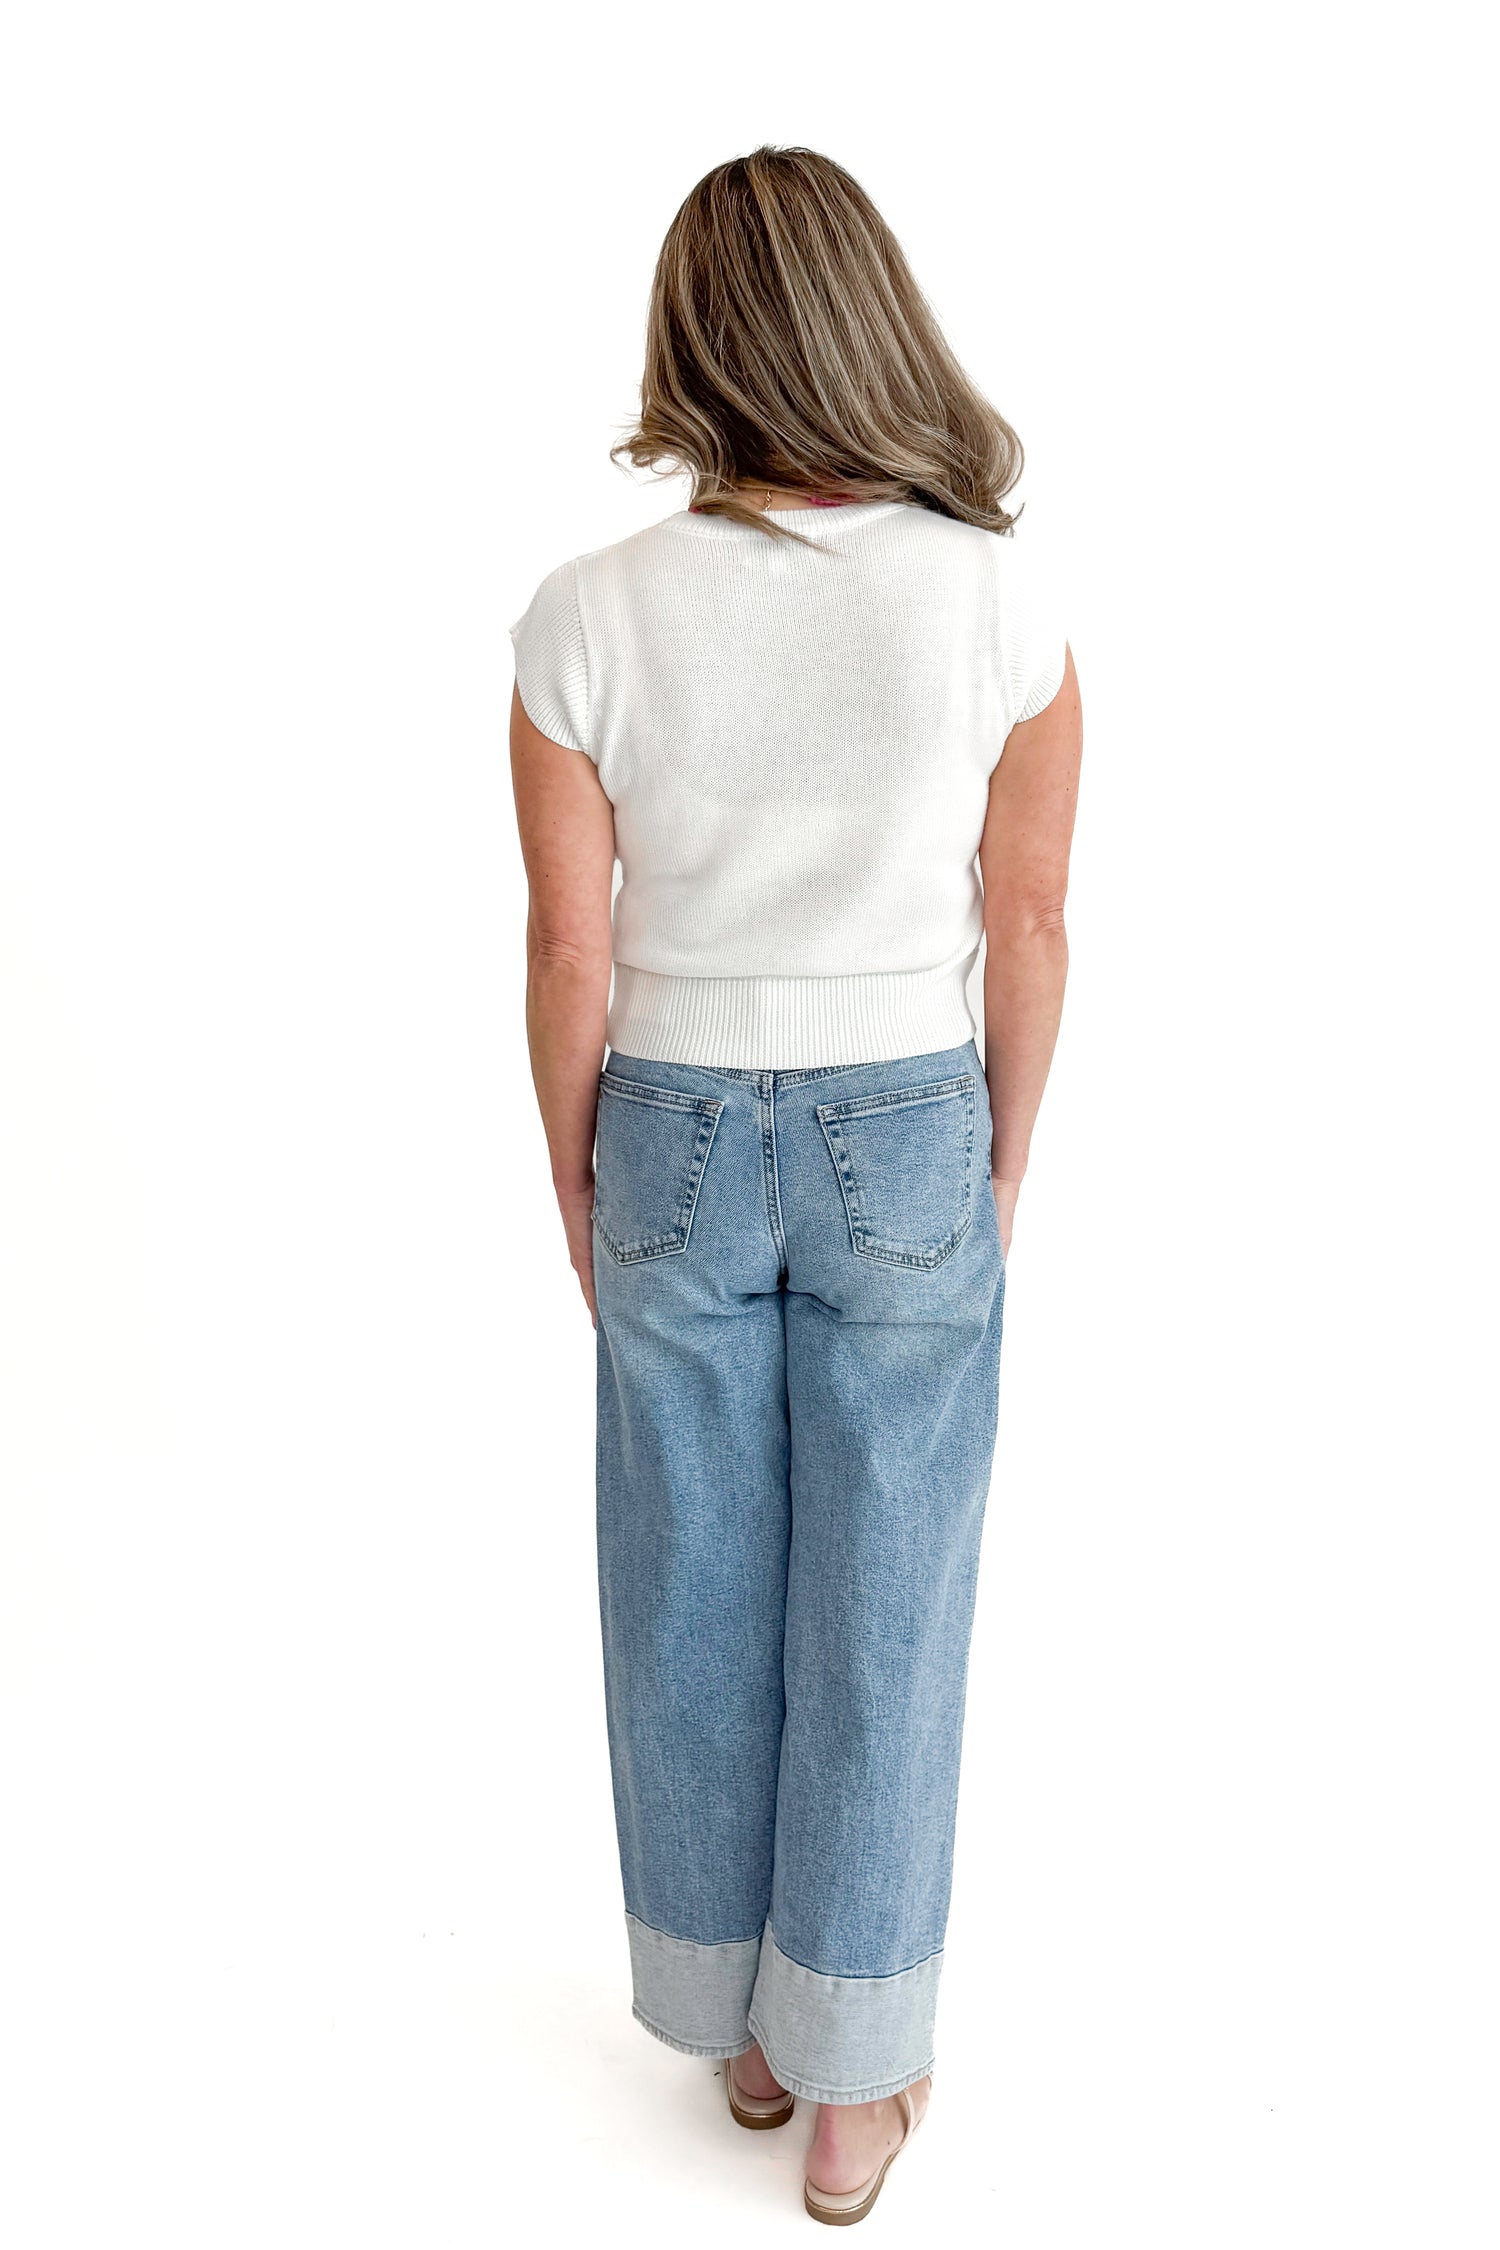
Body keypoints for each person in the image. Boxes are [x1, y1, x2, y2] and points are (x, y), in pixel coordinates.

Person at [509, 144, 1082, 2226]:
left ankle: (740, 2029)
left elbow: (574, 951)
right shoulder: (1004, 601)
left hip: (665, 1112)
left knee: (689, 1577)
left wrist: (580, 1177)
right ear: (875, 319)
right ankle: (858, 2083)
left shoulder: (586, 619)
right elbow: (1026, 922)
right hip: (909, 1120)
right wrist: (1000, 1155)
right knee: (890, 1600)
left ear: (693, 342)